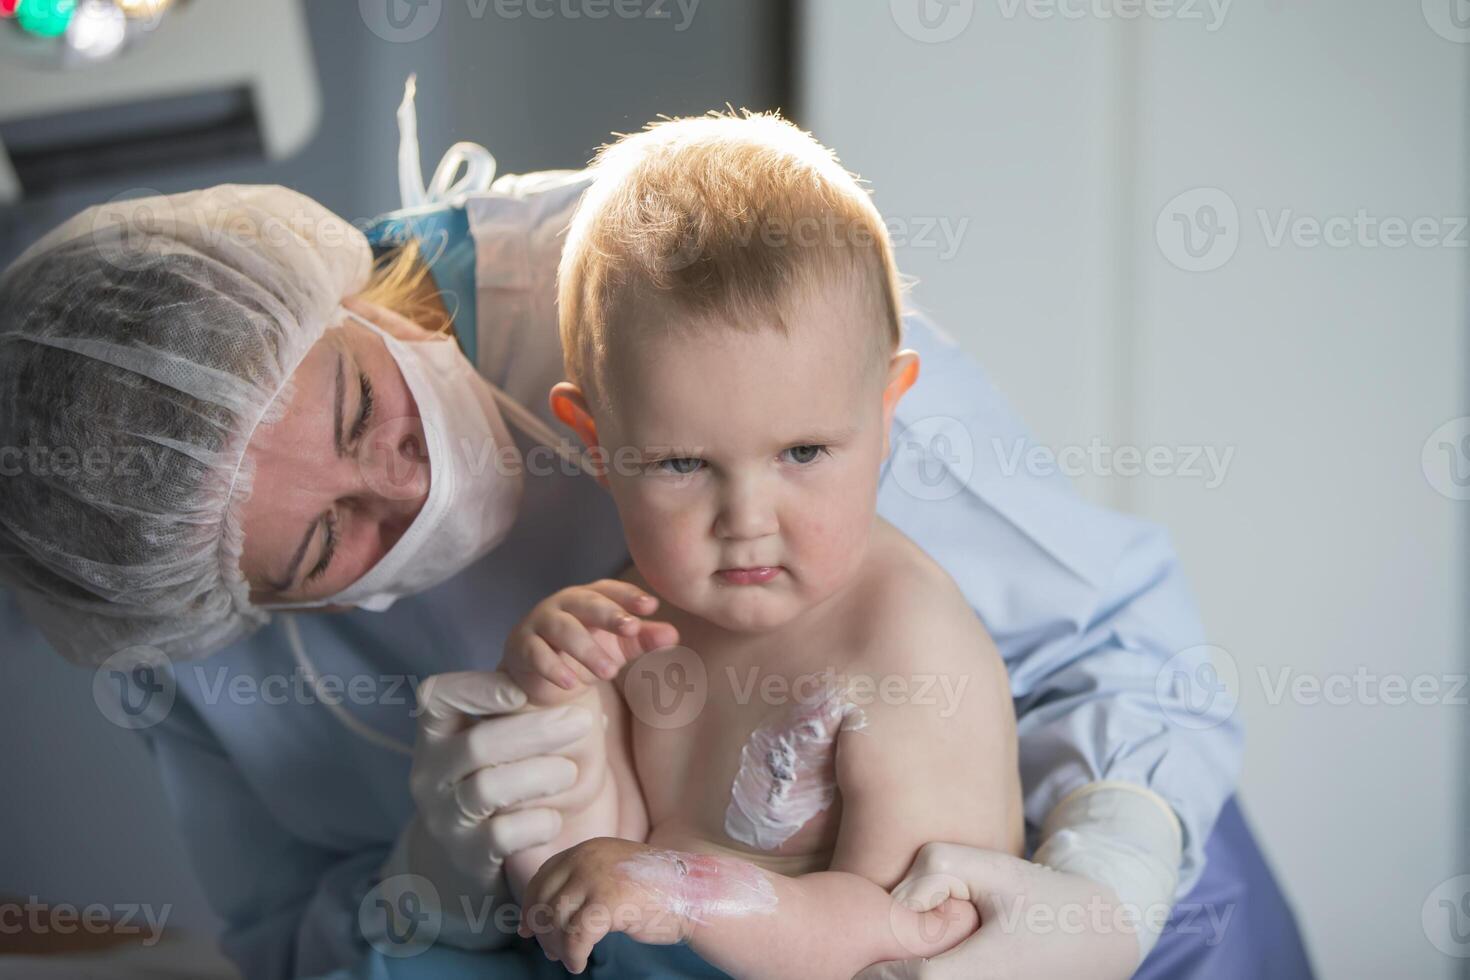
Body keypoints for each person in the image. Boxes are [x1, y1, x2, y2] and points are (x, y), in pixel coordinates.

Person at [0, 78, 1313, 980]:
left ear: (334, 294)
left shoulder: (682, 289)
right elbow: (309, 938)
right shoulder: (171, 605)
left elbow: (1123, 655)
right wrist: (439, 877)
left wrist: (1109, 890)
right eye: (320, 545)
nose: (396, 491)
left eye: (356, 406)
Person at [492, 110, 1024, 977]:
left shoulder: (905, 647)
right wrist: (556, 700)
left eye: (803, 453)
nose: (746, 517)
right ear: (597, 443)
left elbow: (909, 931)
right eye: (682, 463)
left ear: (886, 415)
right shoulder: (639, 609)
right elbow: (600, 858)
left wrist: (682, 890)